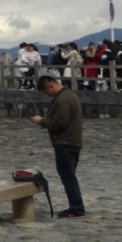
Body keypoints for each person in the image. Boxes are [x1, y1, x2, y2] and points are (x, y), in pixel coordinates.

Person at [31, 75, 85, 218]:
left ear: (51, 86)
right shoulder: (69, 95)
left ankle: (76, 209)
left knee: (68, 178)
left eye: (46, 92)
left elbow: (60, 122)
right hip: (73, 142)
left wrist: (41, 121)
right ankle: (76, 207)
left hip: (65, 143)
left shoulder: (62, 99)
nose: (47, 95)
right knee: (69, 176)